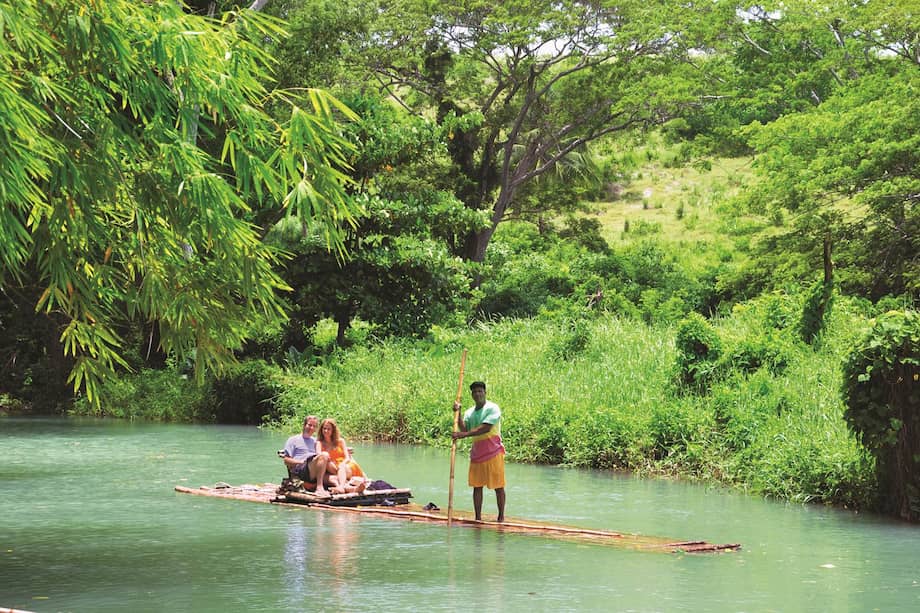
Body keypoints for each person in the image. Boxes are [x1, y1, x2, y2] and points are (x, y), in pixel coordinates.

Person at [452, 381, 506, 522]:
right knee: (477, 486)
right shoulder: (470, 412)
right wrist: (458, 414)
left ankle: (501, 517)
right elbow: (465, 429)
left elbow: (485, 428)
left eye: (480, 391)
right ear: (472, 395)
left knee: (498, 486)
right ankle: (478, 517)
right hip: (477, 454)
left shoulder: (493, 408)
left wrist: (463, 435)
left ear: (485, 392)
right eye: (475, 392)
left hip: (493, 452)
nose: (477, 394)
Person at [281, 415, 333, 496]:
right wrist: (300, 462)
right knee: (324, 455)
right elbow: (286, 460)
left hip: (315, 469)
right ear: (304, 425)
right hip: (302, 469)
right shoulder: (293, 440)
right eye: (309, 425)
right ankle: (319, 487)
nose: (311, 428)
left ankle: (345, 488)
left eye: (314, 426)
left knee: (335, 478)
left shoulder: (316, 441)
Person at [316, 418, 366, 494]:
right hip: (332, 468)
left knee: (341, 467)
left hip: (345, 465)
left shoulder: (340, 441)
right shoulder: (319, 443)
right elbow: (318, 455)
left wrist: (343, 463)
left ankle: (341, 487)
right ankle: (351, 489)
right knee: (329, 472)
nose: (326, 431)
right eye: (324, 428)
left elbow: (347, 457)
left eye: (328, 429)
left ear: (333, 430)